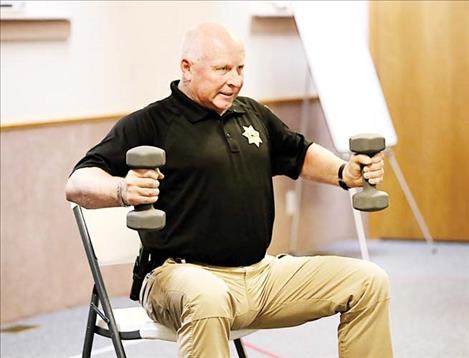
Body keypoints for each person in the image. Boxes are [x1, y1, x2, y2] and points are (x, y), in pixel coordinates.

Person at [66, 23, 393, 357]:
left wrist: (345, 173)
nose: (235, 79)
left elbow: (299, 154)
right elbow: (77, 183)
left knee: (368, 281)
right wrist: (123, 189)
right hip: (179, 275)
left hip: (261, 275)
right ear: (186, 68)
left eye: (240, 68)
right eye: (222, 69)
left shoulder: (252, 114)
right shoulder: (152, 123)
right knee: (207, 297)